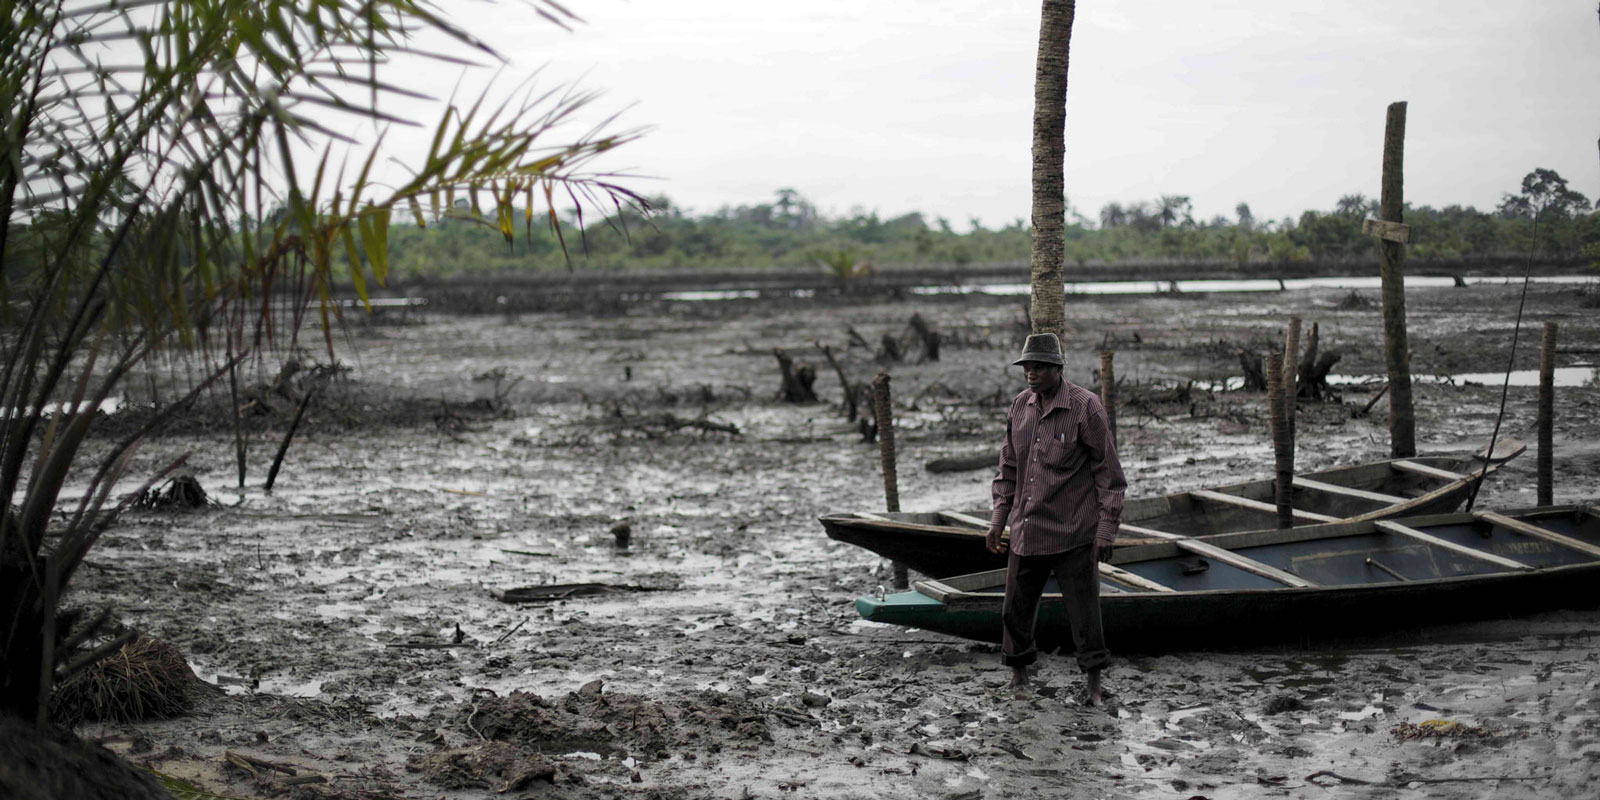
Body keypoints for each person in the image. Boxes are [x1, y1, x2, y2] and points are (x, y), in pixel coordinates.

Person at [986, 332, 1126, 703]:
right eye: (1027, 367)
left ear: (1057, 368)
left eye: (1039, 367)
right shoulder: (1020, 406)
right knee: (1015, 608)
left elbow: (1109, 475)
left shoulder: (1086, 407)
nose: (1031, 373)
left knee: (1084, 614)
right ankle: (1018, 678)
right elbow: (1008, 467)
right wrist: (999, 519)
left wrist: (1106, 531)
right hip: (1027, 527)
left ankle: (1094, 686)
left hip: (1073, 531)